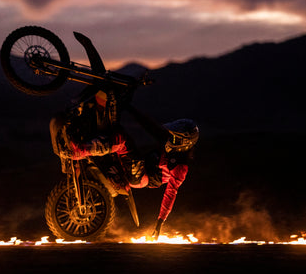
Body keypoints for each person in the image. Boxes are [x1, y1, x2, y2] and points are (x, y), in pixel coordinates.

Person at [50, 88, 199, 239]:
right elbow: (148, 125)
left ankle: (78, 151)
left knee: (121, 141)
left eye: (174, 137)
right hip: (139, 166)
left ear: (183, 143)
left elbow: (170, 195)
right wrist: (129, 107)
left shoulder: (181, 167)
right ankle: (86, 132)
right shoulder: (167, 141)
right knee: (115, 129)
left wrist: (160, 223)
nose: (169, 137)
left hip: (141, 177)